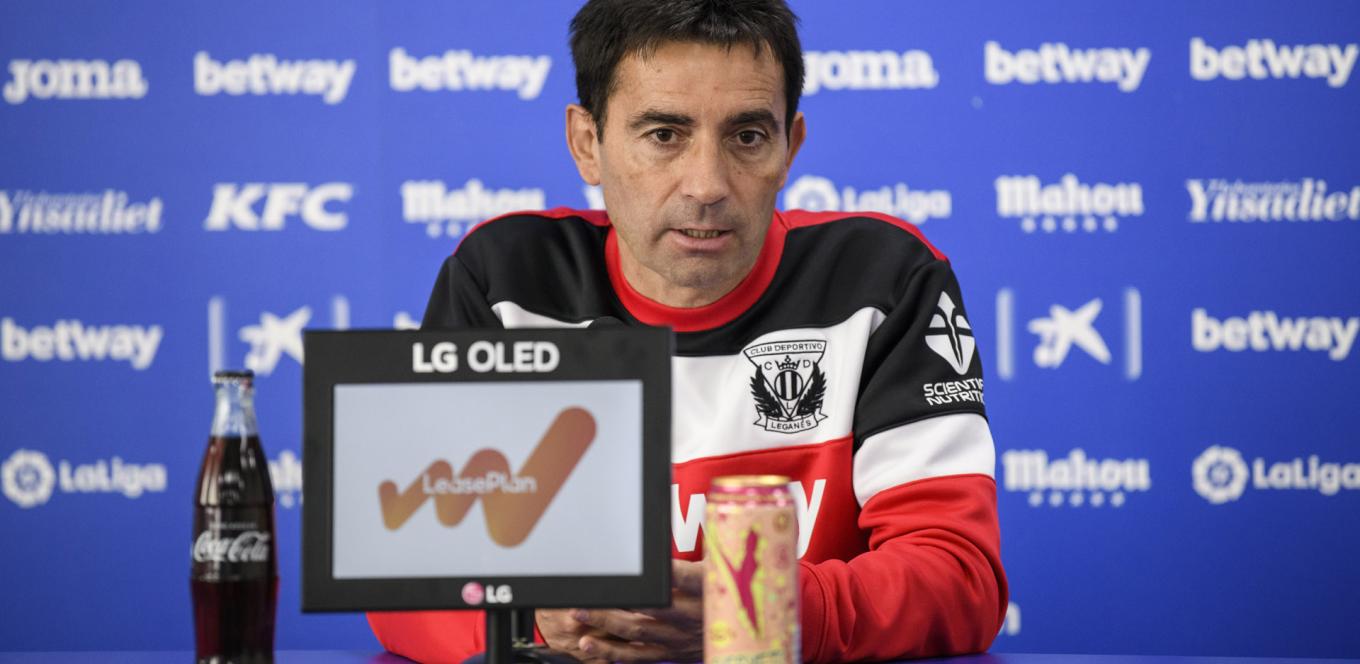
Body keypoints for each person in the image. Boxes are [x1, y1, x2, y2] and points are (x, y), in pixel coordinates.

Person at [368, 0, 1007, 661]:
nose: (707, 185)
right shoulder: (506, 282)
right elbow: (404, 583)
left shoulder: (882, 280)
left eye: (747, 137)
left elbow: (959, 578)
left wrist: (759, 615)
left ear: (790, 147)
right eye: (664, 135)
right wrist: (530, 617)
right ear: (587, 143)